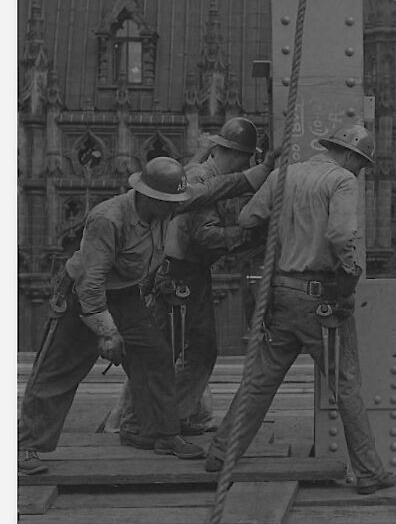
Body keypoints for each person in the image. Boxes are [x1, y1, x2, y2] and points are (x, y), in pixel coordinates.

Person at [18, 155, 273, 475]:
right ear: (149, 196)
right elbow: (91, 282)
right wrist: (107, 332)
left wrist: (263, 171)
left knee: (155, 356)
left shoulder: (165, 204)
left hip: (125, 295)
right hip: (82, 299)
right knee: (57, 371)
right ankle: (26, 446)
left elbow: (214, 189)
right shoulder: (108, 218)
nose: (174, 209)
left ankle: (164, 434)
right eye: (168, 203)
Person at [205, 124, 396, 496]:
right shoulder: (341, 181)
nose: (359, 171)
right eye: (361, 164)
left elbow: (247, 219)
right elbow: (342, 235)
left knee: (259, 382)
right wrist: (349, 273)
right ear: (351, 156)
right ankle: (369, 472)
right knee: (346, 386)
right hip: (320, 299)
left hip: (280, 294)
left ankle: (220, 453)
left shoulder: (283, 174)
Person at [116, 118, 278, 442]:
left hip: (190, 274)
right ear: (233, 154)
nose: (247, 165)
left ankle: (178, 415)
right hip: (179, 276)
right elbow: (204, 237)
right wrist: (252, 234)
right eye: (246, 159)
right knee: (163, 352)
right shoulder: (201, 178)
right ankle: (136, 423)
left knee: (200, 351)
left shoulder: (204, 174)